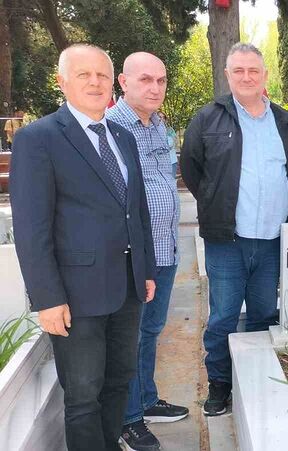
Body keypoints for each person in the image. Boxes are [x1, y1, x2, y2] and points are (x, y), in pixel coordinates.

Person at [10, 44, 156, 451]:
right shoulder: (38, 139)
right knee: (82, 397)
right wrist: (47, 298)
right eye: (84, 74)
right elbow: (31, 228)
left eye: (102, 75)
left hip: (126, 289)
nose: (95, 82)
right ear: (62, 81)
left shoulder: (123, 137)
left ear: (114, 83)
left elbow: (136, 210)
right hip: (75, 296)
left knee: (118, 382)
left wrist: (144, 271)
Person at [180, 42, 288, 417]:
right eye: (239, 71)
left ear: (265, 76)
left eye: (254, 70)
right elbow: (192, 170)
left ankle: (257, 377)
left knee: (265, 314)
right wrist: (216, 205)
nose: (247, 77)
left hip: (272, 241)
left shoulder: (285, 122)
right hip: (227, 242)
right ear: (228, 75)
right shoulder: (207, 119)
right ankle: (220, 384)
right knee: (223, 317)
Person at [107, 52, 186, 451]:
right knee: (132, 335)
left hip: (165, 249)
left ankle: (147, 399)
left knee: (152, 331)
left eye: (161, 80)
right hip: (134, 256)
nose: (155, 88)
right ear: (123, 82)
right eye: (145, 80)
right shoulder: (110, 127)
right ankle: (129, 418)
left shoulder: (157, 125)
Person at [157, 111, 179, 178]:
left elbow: (172, 144)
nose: (162, 119)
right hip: (159, 163)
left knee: (171, 182)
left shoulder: (170, 130)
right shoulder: (152, 130)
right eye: (160, 117)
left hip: (172, 161)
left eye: (163, 117)